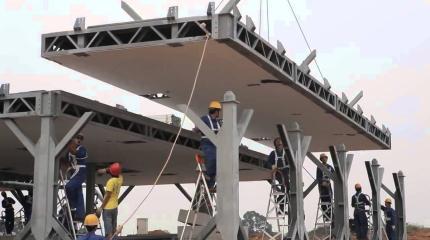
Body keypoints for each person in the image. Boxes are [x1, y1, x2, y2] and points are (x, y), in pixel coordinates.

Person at [195, 101, 222, 191]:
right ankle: (207, 175)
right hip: (207, 144)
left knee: (219, 162)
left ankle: (210, 185)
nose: (219, 113)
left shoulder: (218, 122)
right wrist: (196, 129)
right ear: (215, 111)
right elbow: (197, 127)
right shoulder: (205, 119)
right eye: (219, 111)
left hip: (216, 145)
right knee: (213, 158)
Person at [96, 163, 123, 239]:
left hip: (107, 208)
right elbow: (120, 174)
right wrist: (108, 170)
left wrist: (101, 208)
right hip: (115, 207)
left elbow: (108, 196)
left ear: (111, 172)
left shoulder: (110, 182)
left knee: (108, 233)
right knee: (114, 231)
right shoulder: (120, 180)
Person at [65, 133, 88, 221]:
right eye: (77, 138)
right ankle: (80, 214)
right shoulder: (69, 151)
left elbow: (73, 151)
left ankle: (73, 206)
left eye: (81, 138)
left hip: (81, 172)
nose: (79, 140)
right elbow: (67, 161)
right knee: (79, 193)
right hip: (74, 172)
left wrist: (70, 142)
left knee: (69, 186)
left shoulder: (82, 149)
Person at [267, 137, 289, 212]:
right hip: (278, 173)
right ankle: (281, 206)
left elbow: (290, 163)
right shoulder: (273, 153)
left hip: (285, 172)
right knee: (284, 188)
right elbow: (267, 163)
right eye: (278, 143)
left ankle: (282, 204)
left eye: (280, 143)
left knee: (287, 189)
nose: (279, 144)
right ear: (275, 145)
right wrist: (272, 166)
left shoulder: (286, 153)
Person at [316, 153, 334, 221]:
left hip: (328, 186)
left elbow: (334, 174)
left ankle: (330, 215)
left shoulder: (330, 167)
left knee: (330, 200)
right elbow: (318, 177)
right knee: (323, 201)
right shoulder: (319, 167)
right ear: (321, 159)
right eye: (323, 158)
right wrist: (322, 183)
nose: (324, 159)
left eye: (325, 158)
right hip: (322, 187)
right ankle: (325, 216)